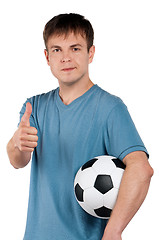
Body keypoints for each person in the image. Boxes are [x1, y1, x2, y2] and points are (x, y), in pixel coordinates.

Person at [7, 13, 153, 240]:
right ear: (47, 57)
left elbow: (141, 169)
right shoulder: (34, 106)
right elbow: (18, 161)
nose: (65, 58)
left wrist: (114, 231)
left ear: (90, 53)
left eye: (75, 48)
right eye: (57, 50)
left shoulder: (110, 108)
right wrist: (17, 143)